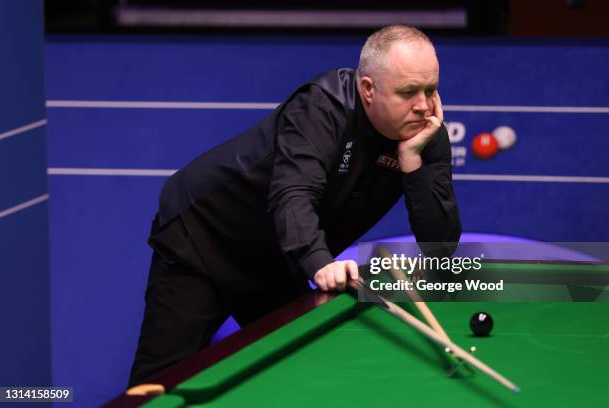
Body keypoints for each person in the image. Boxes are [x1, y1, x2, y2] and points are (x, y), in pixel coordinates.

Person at [128, 24, 461, 387]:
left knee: (307, 378)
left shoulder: (426, 134)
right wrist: (320, 264)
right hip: (205, 238)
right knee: (157, 386)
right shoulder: (322, 106)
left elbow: (439, 244)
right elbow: (292, 195)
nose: (424, 106)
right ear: (368, 89)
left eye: (431, 90)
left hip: (277, 262)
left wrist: (412, 162)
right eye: (409, 92)